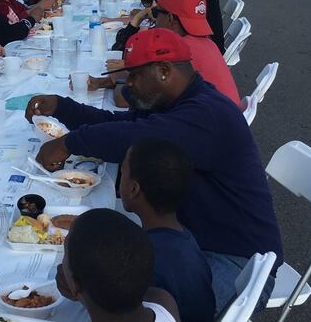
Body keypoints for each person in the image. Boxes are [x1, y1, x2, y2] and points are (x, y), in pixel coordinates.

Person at [25, 29, 283, 314]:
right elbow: (121, 124)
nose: (128, 85)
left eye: (135, 76)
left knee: (107, 295)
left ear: (163, 71)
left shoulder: (207, 114)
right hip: (190, 241)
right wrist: (64, 107)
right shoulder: (174, 101)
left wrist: (69, 142)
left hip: (234, 260)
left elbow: (131, 139)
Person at [119, 138, 216, 322]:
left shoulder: (146, 260)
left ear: (133, 189)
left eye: (122, 171)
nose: (120, 176)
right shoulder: (184, 238)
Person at [55, 208, 181, 322]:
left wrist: (85, 293)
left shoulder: (163, 299)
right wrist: (86, 292)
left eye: (65, 255)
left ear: (74, 283)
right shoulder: (164, 302)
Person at [153, 0, 240, 105]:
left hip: (209, 121)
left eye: (156, 13)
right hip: (227, 117)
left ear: (170, 18)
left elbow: (133, 98)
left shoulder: (179, 52)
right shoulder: (209, 44)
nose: (155, 20)